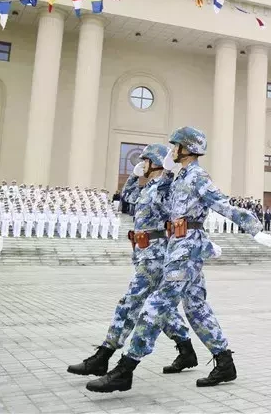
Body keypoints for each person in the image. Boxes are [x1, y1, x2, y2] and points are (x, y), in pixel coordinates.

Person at [86, 126, 271, 393]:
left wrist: (255, 229)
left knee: (157, 304)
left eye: (174, 146)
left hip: (187, 248)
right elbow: (158, 200)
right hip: (178, 246)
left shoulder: (198, 176)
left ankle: (126, 369)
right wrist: (164, 174)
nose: (171, 150)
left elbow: (222, 203)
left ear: (187, 148)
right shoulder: (179, 176)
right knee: (196, 307)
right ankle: (225, 363)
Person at [68, 144, 196, 379]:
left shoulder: (163, 188)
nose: (142, 164)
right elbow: (128, 197)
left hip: (155, 255)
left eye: (145, 161)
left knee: (129, 303)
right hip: (144, 252)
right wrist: (134, 176)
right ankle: (186, 350)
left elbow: (176, 209)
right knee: (160, 307)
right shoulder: (149, 187)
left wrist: (167, 173)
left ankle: (104, 355)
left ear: (155, 162)